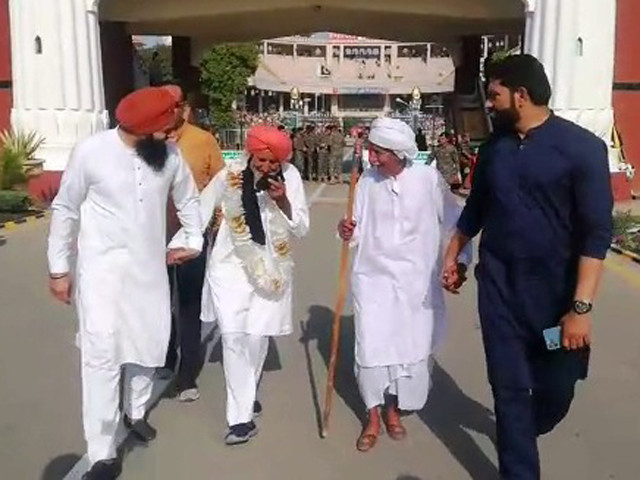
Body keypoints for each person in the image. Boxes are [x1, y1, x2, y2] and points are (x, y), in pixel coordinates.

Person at [442, 55, 613, 479]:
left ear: (520, 95)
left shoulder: (583, 150)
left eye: (495, 94)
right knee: (510, 391)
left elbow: (596, 235)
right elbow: (476, 208)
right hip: (500, 294)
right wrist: (454, 253)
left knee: (557, 387)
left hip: (556, 303)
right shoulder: (494, 149)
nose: (490, 103)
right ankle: (518, 461)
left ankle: (523, 428)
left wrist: (580, 310)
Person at [47, 87, 203, 480]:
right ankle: (101, 450)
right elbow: (65, 208)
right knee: (100, 357)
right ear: (148, 127)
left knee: (147, 348)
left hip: (149, 274)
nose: (172, 133)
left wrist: (191, 240)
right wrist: (59, 269)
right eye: (167, 126)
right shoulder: (91, 152)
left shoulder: (169, 157)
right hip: (101, 276)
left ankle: (134, 412)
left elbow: (189, 202)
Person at [168, 125, 309, 445]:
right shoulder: (229, 175)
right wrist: (184, 245)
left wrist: (283, 200)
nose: (267, 168)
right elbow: (200, 212)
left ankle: (245, 394)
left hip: (272, 269)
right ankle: (240, 419)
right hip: (229, 268)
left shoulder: (291, 178)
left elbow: (301, 227)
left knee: (256, 339)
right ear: (250, 153)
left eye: (274, 163)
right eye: (261, 161)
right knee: (233, 337)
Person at [337, 117, 471, 452]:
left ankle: (393, 409)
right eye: (371, 151)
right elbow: (356, 229)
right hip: (373, 280)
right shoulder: (366, 181)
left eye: (379, 153)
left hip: (416, 284)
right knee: (370, 347)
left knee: (407, 350)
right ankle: (371, 415)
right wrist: (347, 231)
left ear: (398, 153)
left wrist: (459, 262)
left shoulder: (427, 179)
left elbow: (457, 223)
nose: (373, 158)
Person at [162, 85, 225, 402]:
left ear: (182, 108)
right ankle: (164, 357)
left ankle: (186, 375)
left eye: (169, 106)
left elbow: (222, 186)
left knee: (187, 304)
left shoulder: (203, 141)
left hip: (191, 237)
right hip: (154, 237)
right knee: (160, 301)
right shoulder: (147, 142)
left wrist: (214, 227)